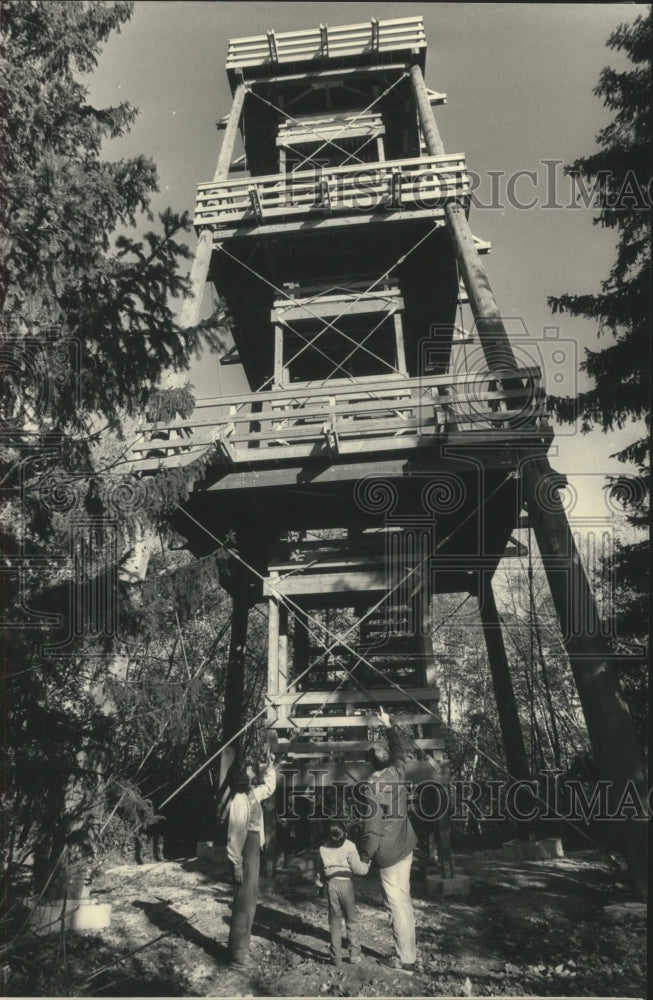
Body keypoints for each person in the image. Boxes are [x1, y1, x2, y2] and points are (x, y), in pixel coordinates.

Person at [359, 707, 417, 975]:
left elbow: (371, 829)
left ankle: (405, 960)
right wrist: (389, 726)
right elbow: (399, 752)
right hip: (406, 847)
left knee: (396, 903)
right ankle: (408, 952)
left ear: (371, 764)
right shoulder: (397, 772)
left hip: (389, 853)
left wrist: (365, 857)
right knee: (403, 900)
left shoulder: (373, 788)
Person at [226, 746, 277, 967]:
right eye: (248, 767)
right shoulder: (238, 799)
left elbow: (270, 786)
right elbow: (234, 835)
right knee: (243, 902)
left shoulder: (252, 793)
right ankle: (238, 954)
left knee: (251, 900)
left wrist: (271, 765)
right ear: (241, 774)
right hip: (244, 851)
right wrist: (236, 863)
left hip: (254, 848)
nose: (251, 768)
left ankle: (241, 949)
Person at [315, 820, 370, 968]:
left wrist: (319, 884)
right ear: (345, 833)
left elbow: (320, 870)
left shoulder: (323, 848)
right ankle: (354, 954)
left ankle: (336, 958)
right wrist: (367, 866)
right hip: (346, 885)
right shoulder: (350, 846)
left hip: (332, 885)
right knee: (351, 919)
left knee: (335, 921)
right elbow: (358, 869)